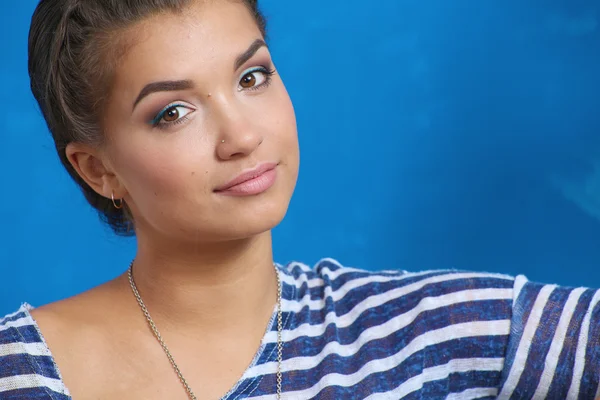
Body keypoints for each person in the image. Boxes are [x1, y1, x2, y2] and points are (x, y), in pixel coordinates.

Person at [1, 0, 599, 398]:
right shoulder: (19, 368)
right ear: (98, 170)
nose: (242, 137)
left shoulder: (419, 336)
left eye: (251, 77)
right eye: (173, 112)